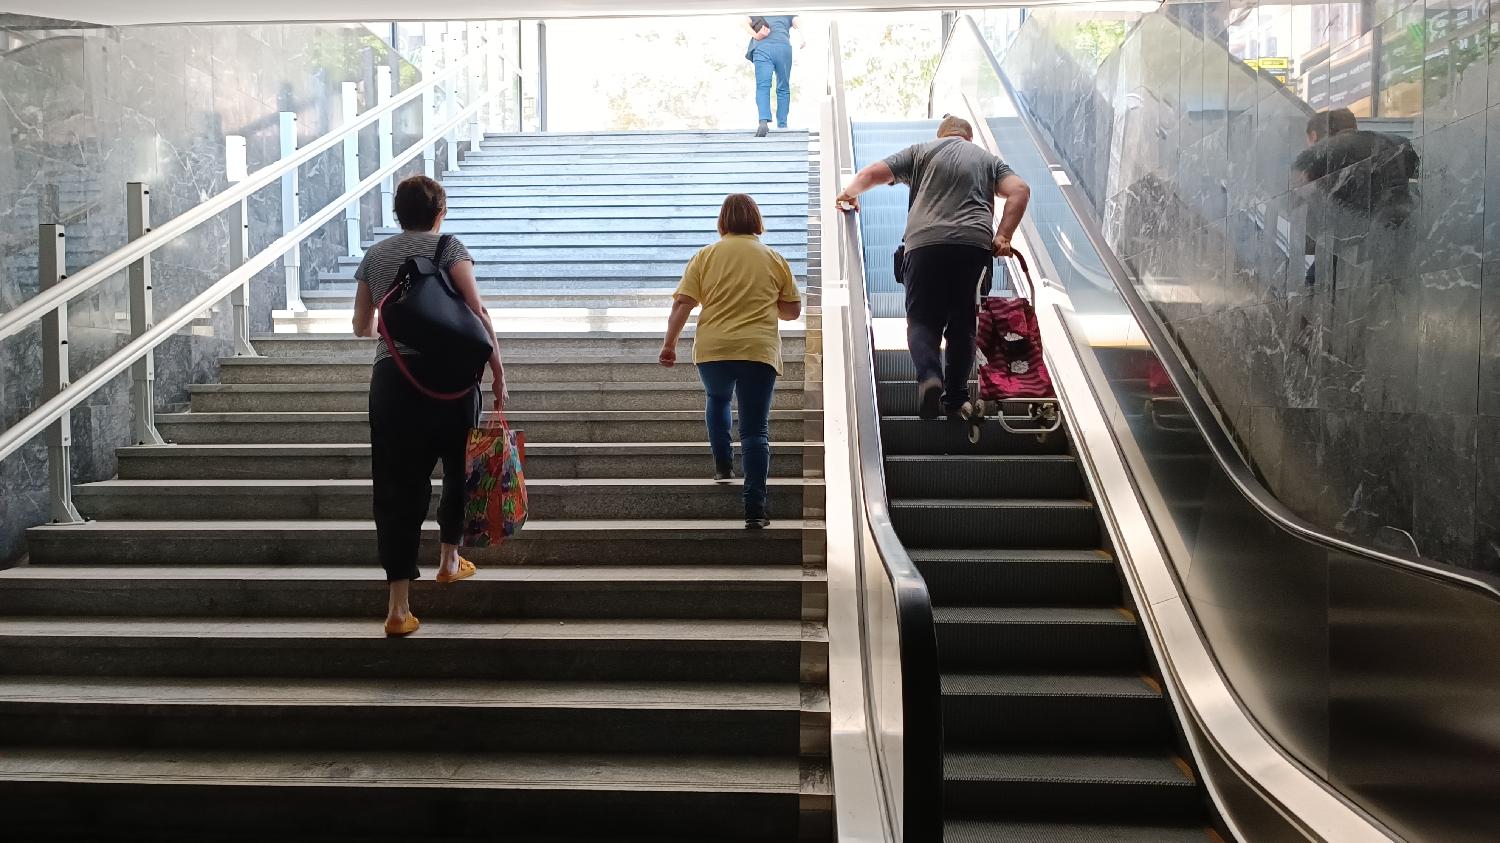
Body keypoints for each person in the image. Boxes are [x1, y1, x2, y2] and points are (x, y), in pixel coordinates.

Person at [352, 175, 506, 636]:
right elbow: (477, 313)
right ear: (440, 211)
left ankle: (398, 609)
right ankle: (449, 560)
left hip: (395, 381)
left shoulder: (376, 256)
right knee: (459, 467)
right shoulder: (450, 248)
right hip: (453, 381)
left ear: (398, 213)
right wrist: (498, 372)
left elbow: (362, 326)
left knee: (397, 487)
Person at [837, 114, 1031, 420]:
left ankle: (929, 376)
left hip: (924, 247)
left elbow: (872, 173)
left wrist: (849, 194)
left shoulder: (919, 152)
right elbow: (1020, 190)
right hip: (973, 248)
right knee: (963, 326)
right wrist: (1003, 235)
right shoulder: (988, 160)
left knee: (922, 322)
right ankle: (955, 398)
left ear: (941, 136)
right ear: (969, 138)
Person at [660, 193, 802, 529]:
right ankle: (755, 509)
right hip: (758, 350)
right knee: (755, 430)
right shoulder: (773, 258)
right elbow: (793, 310)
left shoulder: (705, 256)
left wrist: (669, 345)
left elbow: (683, 304)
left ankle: (723, 465)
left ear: (722, 221)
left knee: (718, 399)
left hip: (714, 349)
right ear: (757, 220)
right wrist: (769, 304)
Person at [746, 14, 800, 137]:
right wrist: (802, 35)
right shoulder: (786, 8)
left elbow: (744, 22)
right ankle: (782, 125)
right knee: (783, 87)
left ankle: (763, 121)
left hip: (762, 48)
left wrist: (756, 35)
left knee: (763, 86)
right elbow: (797, 21)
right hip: (783, 48)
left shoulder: (759, 9)